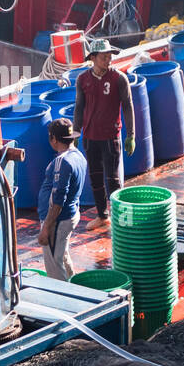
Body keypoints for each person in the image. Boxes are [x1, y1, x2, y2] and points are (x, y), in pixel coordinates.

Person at [74, 39, 135, 229]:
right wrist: (76, 132)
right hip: (90, 137)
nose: (108, 60)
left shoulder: (119, 78)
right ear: (93, 58)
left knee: (113, 179)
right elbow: (79, 107)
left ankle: (122, 218)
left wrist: (131, 134)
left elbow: (127, 106)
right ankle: (102, 215)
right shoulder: (82, 79)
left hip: (111, 137)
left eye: (110, 57)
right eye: (104, 57)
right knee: (96, 178)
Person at [38, 117, 88, 281]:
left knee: (54, 265)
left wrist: (46, 228)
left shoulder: (62, 161)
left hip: (58, 220)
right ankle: (74, 284)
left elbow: (58, 199)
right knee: (62, 254)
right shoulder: (78, 156)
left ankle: (63, 299)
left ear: (53, 139)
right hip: (70, 215)